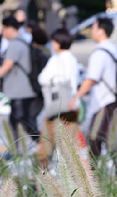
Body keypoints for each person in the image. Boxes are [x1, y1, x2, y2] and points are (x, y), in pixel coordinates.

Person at [68, 17, 117, 158]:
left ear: (101, 31)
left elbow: (90, 79)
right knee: (108, 141)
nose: (91, 31)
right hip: (112, 100)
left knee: (95, 139)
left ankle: (93, 176)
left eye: (94, 28)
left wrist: (77, 97)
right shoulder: (113, 48)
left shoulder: (100, 53)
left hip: (104, 101)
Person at [38, 29, 81, 162]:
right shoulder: (73, 59)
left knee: (47, 138)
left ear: (57, 43)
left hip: (57, 106)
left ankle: (43, 172)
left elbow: (42, 78)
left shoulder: (55, 60)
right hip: (72, 104)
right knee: (71, 142)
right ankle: (76, 173)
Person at [0, 16, 39, 142]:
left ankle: (43, 146)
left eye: (4, 29)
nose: (3, 33)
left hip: (20, 91)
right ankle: (39, 146)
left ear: (10, 28)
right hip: (24, 90)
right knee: (23, 122)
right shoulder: (23, 41)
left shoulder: (15, 44)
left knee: (22, 122)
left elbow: (6, 66)